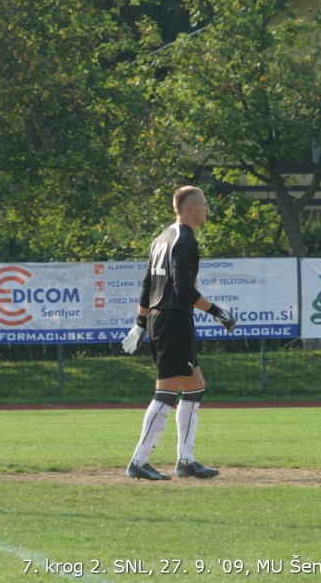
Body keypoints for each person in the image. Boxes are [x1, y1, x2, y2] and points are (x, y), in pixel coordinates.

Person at [121, 186, 236, 480]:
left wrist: (140, 322)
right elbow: (182, 289)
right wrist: (218, 312)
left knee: (195, 387)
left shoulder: (162, 237)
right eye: (205, 204)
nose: (208, 209)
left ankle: (185, 461)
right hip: (173, 320)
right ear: (191, 208)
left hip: (162, 319)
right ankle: (139, 460)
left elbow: (148, 284)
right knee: (166, 393)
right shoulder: (184, 239)